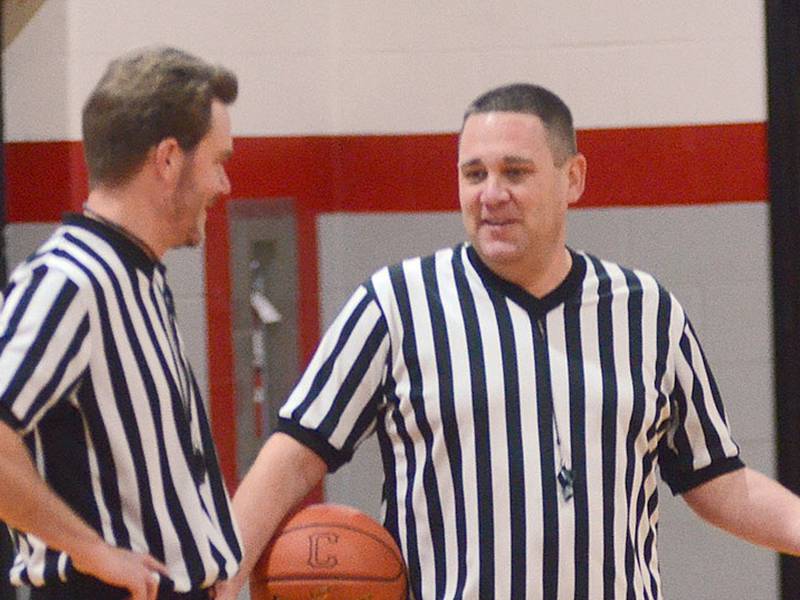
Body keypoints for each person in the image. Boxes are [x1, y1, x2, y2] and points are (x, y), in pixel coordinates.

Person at [219, 83, 800, 600]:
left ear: (572, 178)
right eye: (474, 174)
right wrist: (216, 582)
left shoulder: (647, 311)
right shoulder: (395, 305)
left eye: (515, 172)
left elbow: (722, 485)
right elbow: (291, 459)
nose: (491, 194)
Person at [0, 46, 242, 600]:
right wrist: (91, 551)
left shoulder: (138, 274)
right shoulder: (70, 281)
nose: (224, 185)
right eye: (219, 161)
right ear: (168, 160)